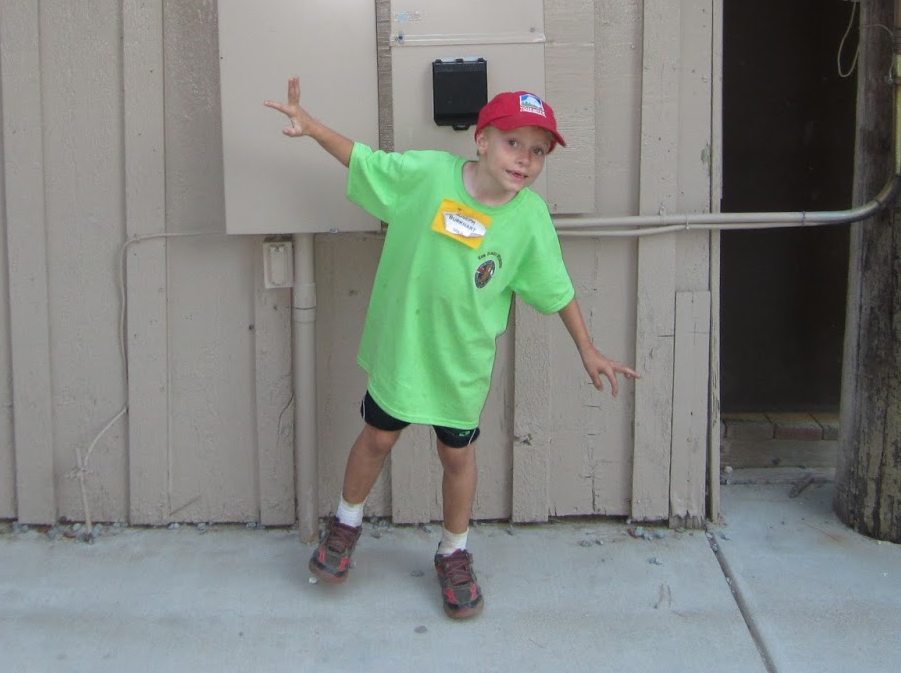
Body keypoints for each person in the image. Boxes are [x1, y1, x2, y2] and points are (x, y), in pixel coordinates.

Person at [264, 76, 638, 620]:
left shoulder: (529, 218)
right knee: (377, 437)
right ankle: (345, 524)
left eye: (538, 152)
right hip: (404, 349)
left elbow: (556, 287)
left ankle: (453, 553)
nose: (525, 160)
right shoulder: (428, 175)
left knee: (456, 455)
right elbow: (366, 162)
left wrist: (588, 348)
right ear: (482, 140)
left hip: (462, 365)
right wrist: (312, 125)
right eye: (514, 143)